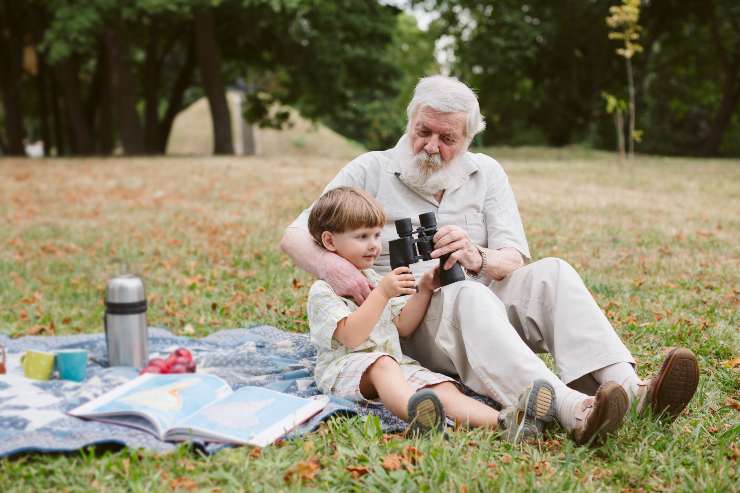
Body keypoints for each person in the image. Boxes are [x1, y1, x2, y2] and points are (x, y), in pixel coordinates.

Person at [283, 75, 699, 445]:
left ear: (469, 139)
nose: (431, 146)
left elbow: (513, 258)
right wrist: (333, 268)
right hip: (406, 318)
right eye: (423, 131)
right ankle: (576, 410)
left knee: (553, 272)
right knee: (467, 294)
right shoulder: (371, 169)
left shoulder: (488, 174)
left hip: (482, 300)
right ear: (410, 121)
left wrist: (474, 254)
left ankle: (633, 390)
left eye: (448, 139)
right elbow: (295, 233)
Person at [306, 186, 556, 441]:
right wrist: (381, 294)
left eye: (377, 235)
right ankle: (417, 417)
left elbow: (402, 327)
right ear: (329, 241)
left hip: (395, 364)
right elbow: (350, 338)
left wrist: (424, 289)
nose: (373, 245)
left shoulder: (373, 278)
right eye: (362, 237)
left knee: (441, 387)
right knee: (382, 365)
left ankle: (508, 423)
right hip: (346, 369)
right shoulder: (323, 291)